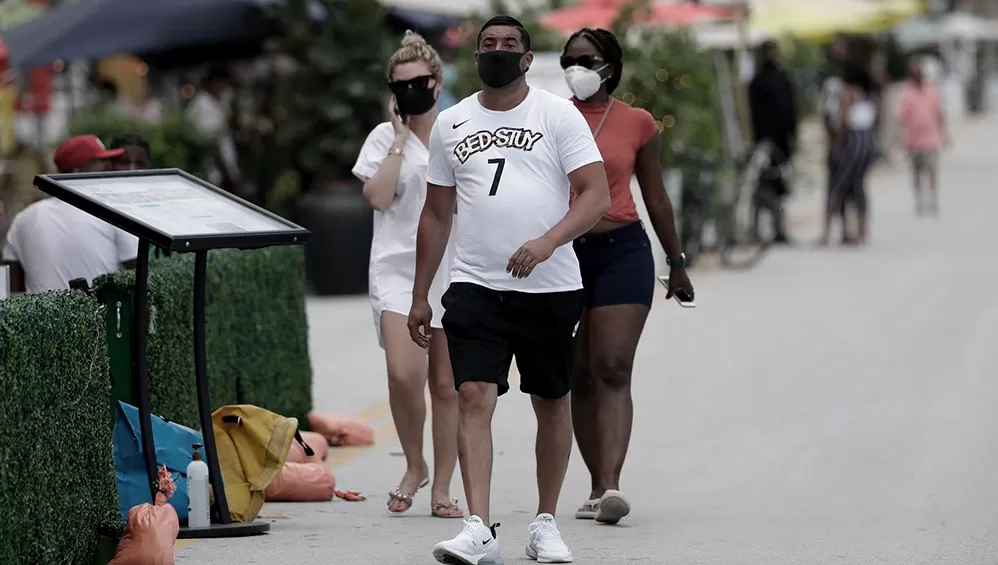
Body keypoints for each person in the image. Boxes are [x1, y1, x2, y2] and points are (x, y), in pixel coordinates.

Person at [408, 15, 611, 564]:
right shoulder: (452, 123)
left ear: (526, 58)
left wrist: (548, 242)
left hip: (550, 287)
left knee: (551, 399)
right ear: (475, 58)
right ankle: (478, 526)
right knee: (474, 395)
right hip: (475, 285)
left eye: (509, 45)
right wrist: (421, 293)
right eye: (488, 45)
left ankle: (545, 522)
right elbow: (435, 214)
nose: (498, 51)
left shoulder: (557, 114)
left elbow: (595, 194)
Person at [557, 27, 694, 526]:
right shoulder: (549, 116)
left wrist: (676, 262)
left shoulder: (637, 123)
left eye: (586, 59)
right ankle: (595, 485)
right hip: (563, 256)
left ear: (610, 66)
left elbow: (655, 195)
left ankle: (611, 485)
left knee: (612, 365)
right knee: (578, 374)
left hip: (624, 251)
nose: (576, 67)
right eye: (568, 59)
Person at [352, 31, 463, 519]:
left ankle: (441, 486)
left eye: (418, 82)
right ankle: (413, 463)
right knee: (403, 374)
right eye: (399, 85)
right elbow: (377, 197)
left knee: (447, 385)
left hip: (454, 268)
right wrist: (398, 139)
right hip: (397, 270)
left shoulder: (458, 130)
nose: (409, 91)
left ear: (437, 83)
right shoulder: (383, 137)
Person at [2, 135, 137, 294]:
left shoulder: (24, 217)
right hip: (101, 317)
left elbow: (13, 291)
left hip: (40, 317)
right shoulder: (112, 213)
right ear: (76, 171)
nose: (108, 169)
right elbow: (139, 277)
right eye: (101, 164)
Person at [819, 63, 878, 246]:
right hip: (866, 145)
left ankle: (827, 234)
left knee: (836, 189)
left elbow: (843, 120)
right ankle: (860, 232)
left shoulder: (847, 93)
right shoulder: (867, 96)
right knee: (857, 189)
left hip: (850, 146)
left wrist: (834, 143)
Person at [748, 39, 797, 244]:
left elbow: (790, 111)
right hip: (765, 141)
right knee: (762, 184)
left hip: (779, 142)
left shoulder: (780, 78)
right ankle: (758, 229)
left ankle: (777, 227)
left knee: (778, 185)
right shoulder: (758, 81)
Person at [896, 57, 947, 215]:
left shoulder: (932, 90)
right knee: (916, 172)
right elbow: (900, 116)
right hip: (913, 139)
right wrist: (899, 138)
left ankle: (932, 199)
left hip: (931, 137)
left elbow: (940, 113)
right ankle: (919, 199)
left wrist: (944, 134)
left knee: (931, 169)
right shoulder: (906, 92)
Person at [819, 35, 852, 242]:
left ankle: (845, 231)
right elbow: (824, 111)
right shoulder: (829, 80)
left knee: (845, 188)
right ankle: (828, 232)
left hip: (847, 142)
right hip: (835, 141)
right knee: (833, 188)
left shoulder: (849, 79)